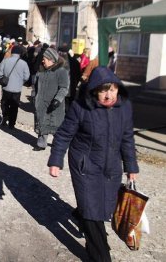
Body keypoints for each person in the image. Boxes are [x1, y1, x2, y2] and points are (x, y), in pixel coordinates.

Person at [48, 67, 139, 262]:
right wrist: (56, 160)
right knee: (92, 210)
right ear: (94, 91)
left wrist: (131, 167)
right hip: (85, 165)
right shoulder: (81, 107)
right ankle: (101, 256)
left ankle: (81, 216)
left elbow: (127, 139)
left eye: (112, 90)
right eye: (103, 90)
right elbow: (64, 135)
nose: (108, 95)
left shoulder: (124, 108)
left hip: (111, 167)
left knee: (104, 207)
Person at [32, 48, 69, 151]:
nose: (43, 61)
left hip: (54, 104)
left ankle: (58, 144)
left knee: (56, 124)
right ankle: (41, 144)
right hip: (41, 103)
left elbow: (64, 88)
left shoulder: (61, 71)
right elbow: (34, 86)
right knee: (41, 122)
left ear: (51, 59)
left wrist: (57, 100)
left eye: (45, 59)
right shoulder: (41, 71)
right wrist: (34, 96)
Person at [0, 45, 30, 128]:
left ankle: (5, 116)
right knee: (14, 106)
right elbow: (27, 76)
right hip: (17, 89)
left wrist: (3, 79)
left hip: (6, 87)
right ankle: (12, 124)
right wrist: (21, 81)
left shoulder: (5, 61)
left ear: (12, 52)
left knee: (4, 103)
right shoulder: (24, 63)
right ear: (20, 53)